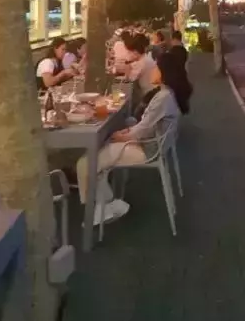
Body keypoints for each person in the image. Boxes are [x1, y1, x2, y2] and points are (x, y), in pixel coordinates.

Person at [75, 50, 192, 225]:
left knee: (85, 164)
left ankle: (96, 210)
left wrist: (121, 136)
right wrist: (125, 134)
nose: (152, 71)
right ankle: (106, 204)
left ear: (164, 72)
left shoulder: (162, 98)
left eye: (156, 68)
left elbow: (141, 129)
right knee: (97, 157)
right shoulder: (167, 95)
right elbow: (143, 126)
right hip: (149, 145)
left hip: (146, 149)